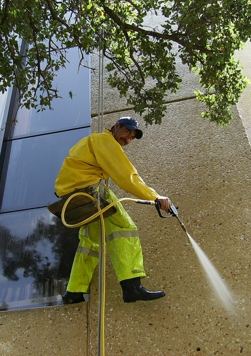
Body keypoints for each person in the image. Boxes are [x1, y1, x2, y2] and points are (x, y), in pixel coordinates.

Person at [54, 116, 171, 304]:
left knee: (91, 242)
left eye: (131, 138)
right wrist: (155, 197)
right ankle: (132, 287)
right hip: (89, 191)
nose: (127, 140)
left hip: (72, 194)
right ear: (116, 126)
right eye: (126, 133)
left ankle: (74, 292)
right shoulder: (105, 141)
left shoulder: (93, 142)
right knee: (125, 228)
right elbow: (127, 176)